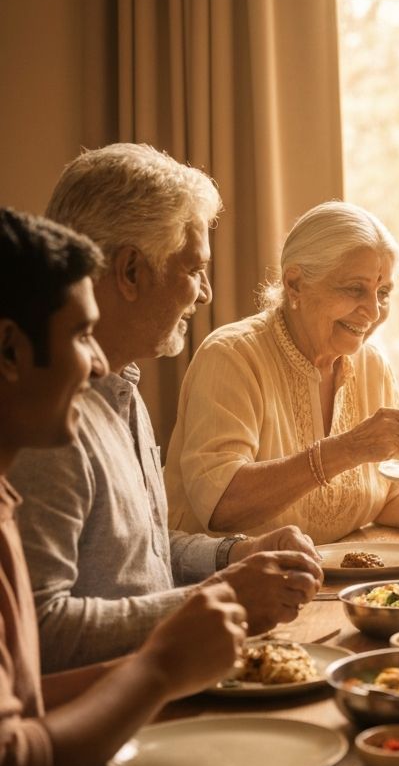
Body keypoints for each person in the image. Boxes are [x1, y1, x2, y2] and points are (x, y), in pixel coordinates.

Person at [8, 144, 322, 673]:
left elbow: (138, 556)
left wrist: (233, 556)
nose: (206, 293)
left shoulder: (122, 389)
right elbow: (38, 632)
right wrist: (223, 598)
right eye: (195, 268)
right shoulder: (47, 424)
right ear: (131, 271)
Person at [0, 208, 246, 766]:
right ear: (10, 351)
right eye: (82, 336)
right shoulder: (48, 444)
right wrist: (163, 664)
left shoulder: (119, 398)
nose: (95, 362)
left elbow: (23, 701)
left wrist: (227, 561)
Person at [163, 201, 399, 545]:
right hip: (229, 587)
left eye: (383, 292)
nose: (373, 310)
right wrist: (347, 449)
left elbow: (383, 497)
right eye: (354, 289)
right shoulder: (232, 356)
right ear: (295, 284)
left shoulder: (372, 364)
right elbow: (222, 508)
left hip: (329, 584)